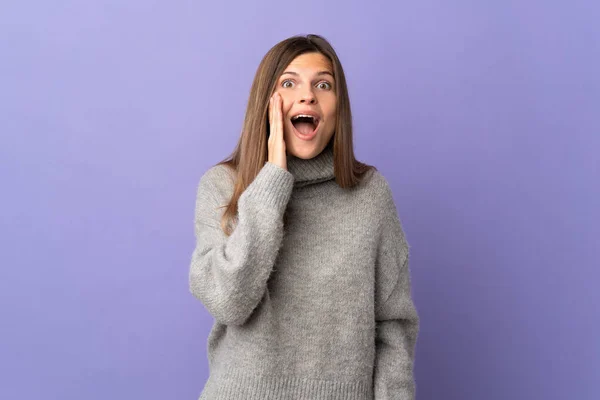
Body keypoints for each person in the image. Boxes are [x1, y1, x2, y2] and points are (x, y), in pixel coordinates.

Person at [189, 33, 419, 400]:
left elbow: (393, 325)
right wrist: (273, 180)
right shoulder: (223, 187)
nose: (308, 94)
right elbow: (229, 301)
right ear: (266, 102)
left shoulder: (370, 194)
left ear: (337, 107)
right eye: (289, 83)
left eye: (323, 84)